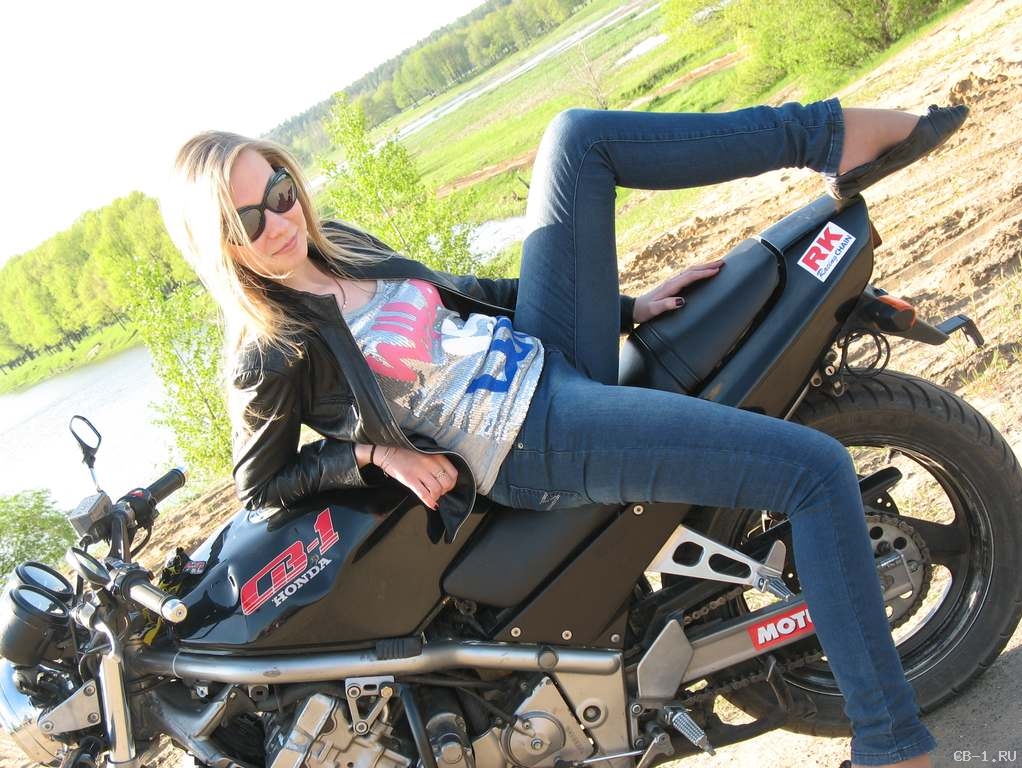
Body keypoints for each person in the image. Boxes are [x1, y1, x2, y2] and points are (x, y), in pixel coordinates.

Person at [162, 98, 968, 768]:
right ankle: (893, 744)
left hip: (546, 355)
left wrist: (626, 307)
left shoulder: (337, 245)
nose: (278, 219)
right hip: (531, 438)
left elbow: (466, 292)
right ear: (220, 243)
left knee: (576, 137)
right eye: (248, 219)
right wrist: (374, 453)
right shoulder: (267, 349)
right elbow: (261, 487)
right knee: (814, 471)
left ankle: (830, 137)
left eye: (278, 191)